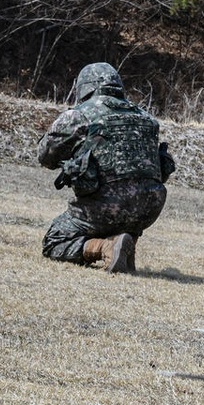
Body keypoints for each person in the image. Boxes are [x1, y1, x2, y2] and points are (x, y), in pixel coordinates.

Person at [38, 62, 175, 273]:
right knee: (131, 203)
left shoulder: (80, 115)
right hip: (149, 209)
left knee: (54, 241)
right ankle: (123, 243)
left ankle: (106, 247)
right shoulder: (147, 118)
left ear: (84, 87)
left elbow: (45, 156)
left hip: (103, 208)